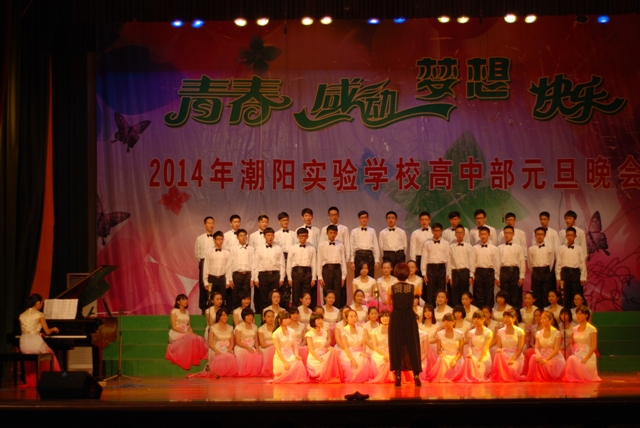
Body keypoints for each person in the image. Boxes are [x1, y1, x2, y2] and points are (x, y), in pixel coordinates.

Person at [388, 262, 422, 386]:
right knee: (412, 344)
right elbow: (419, 295)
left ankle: (398, 375)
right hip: (409, 317)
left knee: (396, 344)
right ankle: (416, 375)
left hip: (396, 317)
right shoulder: (414, 287)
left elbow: (388, 301)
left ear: (396, 273)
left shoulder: (391, 288)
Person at [19, 294, 61, 387]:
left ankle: (32, 380)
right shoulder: (39, 314)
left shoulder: (22, 315)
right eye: (42, 303)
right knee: (50, 354)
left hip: (23, 344)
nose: (42, 305)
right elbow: (47, 331)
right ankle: (52, 379)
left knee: (32, 355)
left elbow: (26, 331)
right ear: (38, 303)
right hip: (34, 343)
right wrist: (53, 328)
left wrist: (39, 334)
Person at [166, 294, 207, 370]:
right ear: (178, 302)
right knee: (191, 337)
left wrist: (192, 333)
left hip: (186, 332)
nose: (186, 301)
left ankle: (196, 357)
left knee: (199, 338)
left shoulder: (187, 312)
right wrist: (186, 333)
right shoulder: (174, 311)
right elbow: (174, 327)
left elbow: (189, 326)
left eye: (186, 299)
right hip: (177, 332)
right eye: (183, 299)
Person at [562, 307, 601, 382]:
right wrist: (574, 352)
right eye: (577, 314)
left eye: (580, 314)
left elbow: (594, 346)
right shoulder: (574, 328)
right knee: (571, 359)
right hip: (577, 353)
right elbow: (571, 342)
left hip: (587, 354)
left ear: (586, 315)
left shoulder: (591, 329)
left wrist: (586, 358)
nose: (578, 316)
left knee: (573, 359)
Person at [453, 310, 492, 382]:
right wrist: (470, 354)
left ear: (483, 319)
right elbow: (469, 346)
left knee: (480, 375)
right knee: (469, 366)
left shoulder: (488, 332)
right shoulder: (471, 332)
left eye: (478, 318)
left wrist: (480, 361)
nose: (476, 320)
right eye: (474, 318)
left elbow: (485, 347)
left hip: (484, 356)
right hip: (473, 355)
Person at [253, 227, 285, 314]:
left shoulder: (278, 248)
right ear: (264, 236)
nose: (270, 237)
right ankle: (264, 319)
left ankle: (275, 318)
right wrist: (256, 278)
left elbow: (282, 264)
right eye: (268, 235)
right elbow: (256, 265)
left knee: (275, 297)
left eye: (272, 235)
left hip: (275, 275)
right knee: (264, 298)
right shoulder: (259, 249)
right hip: (263, 275)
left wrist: (282, 278)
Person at [526, 311, 565, 381]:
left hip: (553, 356)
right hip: (542, 354)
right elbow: (537, 347)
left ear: (551, 320)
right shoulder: (538, 333)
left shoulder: (557, 333)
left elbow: (556, 349)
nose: (542, 320)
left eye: (544, 318)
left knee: (546, 363)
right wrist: (538, 354)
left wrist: (546, 359)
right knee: (534, 357)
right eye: (541, 318)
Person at [272, 311, 309, 383]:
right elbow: (278, 350)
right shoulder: (276, 333)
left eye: (289, 318)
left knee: (298, 361)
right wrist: (285, 362)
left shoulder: (292, 331)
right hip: (281, 357)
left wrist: (296, 355)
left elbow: (295, 346)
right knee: (286, 369)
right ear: (279, 320)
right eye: (285, 318)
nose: (288, 320)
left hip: (290, 355)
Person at [286, 227, 317, 311]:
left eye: (305, 236)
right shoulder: (292, 248)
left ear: (307, 236)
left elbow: (314, 263)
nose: (303, 238)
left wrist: (314, 278)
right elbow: (289, 264)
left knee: (306, 295)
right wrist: (289, 277)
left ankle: (306, 314)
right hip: (296, 273)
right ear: (297, 236)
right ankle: (295, 313)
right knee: (296, 295)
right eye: (301, 236)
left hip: (307, 274)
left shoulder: (312, 248)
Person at [427, 313, 464, 382]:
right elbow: (438, 350)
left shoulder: (459, 334)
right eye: (444, 321)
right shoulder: (439, 334)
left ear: (453, 322)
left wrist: (454, 360)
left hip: (456, 357)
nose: (446, 323)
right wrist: (441, 353)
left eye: (449, 321)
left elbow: (461, 351)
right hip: (445, 356)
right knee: (442, 359)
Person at [305, 313, 342, 383]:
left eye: (321, 319)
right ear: (313, 320)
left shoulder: (324, 333)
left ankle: (334, 376)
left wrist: (329, 349)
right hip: (314, 358)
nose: (320, 321)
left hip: (323, 355)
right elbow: (311, 350)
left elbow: (325, 346)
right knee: (325, 364)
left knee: (333, 352)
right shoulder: (309, 334)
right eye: (318, 319)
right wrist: (320, 360)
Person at [317, 225, 347, 309]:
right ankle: (326, 312)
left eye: (334, 233)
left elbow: (343, 261)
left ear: (337, 233)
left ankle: (336, 312)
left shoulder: (340, 245)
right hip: (326, 270)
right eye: (330, 233)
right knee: (326, 292)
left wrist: (343, 277)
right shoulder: (321, 245)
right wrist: (320, 276)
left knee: (337, 293)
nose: (332, 235)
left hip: (337, 270)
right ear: (327, 233)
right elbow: (319, 261)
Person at [339, 309, 373, 383]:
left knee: (364, 358)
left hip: (360, 352)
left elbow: (364, 344)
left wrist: (363, 352)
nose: (354, 318)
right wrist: (352, 360)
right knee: (358, 360)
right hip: (349, 354)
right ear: (346, 318)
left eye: (355, 316)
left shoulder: (361, 329)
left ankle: (362, 379)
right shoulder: (343, 330)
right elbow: (346, 347)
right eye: (351, 317)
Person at [556, 227, 587, 308]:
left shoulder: (579, 248)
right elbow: (558, 263)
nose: (569, 237)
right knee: (565, 295)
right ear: (565, 236)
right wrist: (558, 277)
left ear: (575, 236)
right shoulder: (561, 248)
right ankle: (567, 313)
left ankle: (578, 313)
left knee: (577, 294)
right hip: (564, 273)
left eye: (571, 235)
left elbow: (582, 263)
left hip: (575, 273)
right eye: (568, 235)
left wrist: (583, 277)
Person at [491, 309, 525, 382]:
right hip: (504, 356)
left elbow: (520, 348)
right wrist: (498, 350)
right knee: (498, 355)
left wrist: (513, 359)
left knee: (511, 369)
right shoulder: (500, 331)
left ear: (514, 318)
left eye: (508, 317)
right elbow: (499, 346)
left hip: (516, 357)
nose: (506, 319)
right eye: (504, 317)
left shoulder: (519, 331)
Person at [421, 223, 449, 306]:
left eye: (438, 230)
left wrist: (448, 273)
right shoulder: (427, 243)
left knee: (441, 290)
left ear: (441, 231)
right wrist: (424, 273)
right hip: (430, 268)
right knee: (430, 291)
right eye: (434, 231)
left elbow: (448, 259)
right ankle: (431, 310)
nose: (436, 232)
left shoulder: (446, 243)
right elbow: (424, 258)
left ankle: (441, 309)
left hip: (441, 268)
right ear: (432, 231)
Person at [497, 226, 525, 309]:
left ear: (513, 234)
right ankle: (505, 312)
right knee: (504, 294)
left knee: (515, 294)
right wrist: (497, 277)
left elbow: (522, 262)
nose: (507, 235)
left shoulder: (519, 247)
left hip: (515, 271)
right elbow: (497, 263)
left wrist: (521, 276)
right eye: (505, 233)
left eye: (509, 233)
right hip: (503, 271)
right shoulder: (499, 248)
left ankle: (516, 313)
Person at [472, 226, 500, 309]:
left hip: (490, 273)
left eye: (485, 234)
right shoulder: (474, 248)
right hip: (478, 273)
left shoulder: (494, 248)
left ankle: (489, 313)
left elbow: (496, 263)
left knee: (489, 295)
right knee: (478, 294)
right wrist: (472, 275)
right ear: (479, 235)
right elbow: (472, 262)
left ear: (489, 235)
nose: (483, 236)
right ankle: (479, 313)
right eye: (481, 234)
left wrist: (497, 277)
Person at [227, 228, 255, 310]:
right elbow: (229, 264)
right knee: (236, 295)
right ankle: (236, 313)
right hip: (236, 275)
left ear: (246, 237)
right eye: (240, 235)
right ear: (237, 237)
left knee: (247, 296)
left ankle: (247, 313)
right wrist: (230, 278)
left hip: (247, 275)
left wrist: (252, 278)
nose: (243, 237)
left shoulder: (251, 249)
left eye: (244, 235)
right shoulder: (233, 249)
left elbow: (254, 264)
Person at [447, 225, 475, 306]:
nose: (459, 234)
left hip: (465, 272)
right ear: (455, 234)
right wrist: (449, 275)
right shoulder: (451, 247)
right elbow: (449, 262)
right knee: (454, 293)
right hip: (455, 272)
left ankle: (465, 310)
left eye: (461, 233)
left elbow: (471, 262)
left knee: (465, 293)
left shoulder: (469, 247)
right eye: (457, 233)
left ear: (464, 234)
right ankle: (456, 310)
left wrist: (471, 275)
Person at [274, 212, 298, 307]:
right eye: (283, 220)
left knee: (290, 283)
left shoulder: (293, 234)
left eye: (287, 220)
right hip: (280, 259)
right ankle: (280, 306)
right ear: (279, 222)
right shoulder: (276, 234)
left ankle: (289, 307)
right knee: (281, 283)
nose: (285, 222)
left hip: (291, 259)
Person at [528, 227, 556, 308]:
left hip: (546, 271)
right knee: (536, 293)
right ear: (535, 236)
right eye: (538, 234)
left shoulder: (550, 248)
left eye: (541, 234)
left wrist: (548, 272)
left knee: (546, 293)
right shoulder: (531, 249)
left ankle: (546, 311)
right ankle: (537, 311)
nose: (539, 236)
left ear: (544, 235)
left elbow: (551, 262)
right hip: (536, 272)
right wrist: (535, 272)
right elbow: (530, 263)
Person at [207, 308, 237, 377]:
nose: (225, 317)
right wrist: (216, 350)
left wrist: (230, 349)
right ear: (218, 316)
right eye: (223, 315)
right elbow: (210, 342)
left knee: (231, 356)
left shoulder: (230, 328)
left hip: (226, 348)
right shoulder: (213, 327)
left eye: (226, 315)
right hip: (215, 348)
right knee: (219, 357)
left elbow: (232, 342)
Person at [195, 216, 216, 313]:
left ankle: (214, 305)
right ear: (205, 225)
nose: (211, 225)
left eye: (212, 223)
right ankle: (203, 306)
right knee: (204, 284)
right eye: (209, 223)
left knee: (214, 283)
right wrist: (202, 263)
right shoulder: (199, 238)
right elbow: (197, 254)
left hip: (215, 262)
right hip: (204, 261)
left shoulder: (217, 238)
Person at [234, 308, 263, 376]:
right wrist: (247, 347)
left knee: (259, 354)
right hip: (241, 347)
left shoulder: (255, 327)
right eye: (248, 316)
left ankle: (253, 372)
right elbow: (238, 341)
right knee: (249, 354)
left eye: (251, 315)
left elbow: (256, 341)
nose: (250, 317)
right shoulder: (239, 327)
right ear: (243, 317)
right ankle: (246, 372)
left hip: (251, 347)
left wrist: (257, 348)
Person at [369, 310, 394, 383]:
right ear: (379, 318)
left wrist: (390, 355)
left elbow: (395, 345)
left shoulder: (394, 330)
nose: (385, 318)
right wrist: (385, 355)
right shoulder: (374, 331)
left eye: (387, 316)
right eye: (383, 317)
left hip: (392, 352)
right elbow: (375, 346)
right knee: (382, 361)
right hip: (379, 353)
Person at [418, 304, 439, 381]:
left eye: (429, 311)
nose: (427, 313)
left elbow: (437, 338)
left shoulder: (437, 325)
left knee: (429, 349)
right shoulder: (420, 325)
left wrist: (426, 342)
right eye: (426, 311)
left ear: (433, 312)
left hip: (432, 346)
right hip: (422, 347)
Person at [409, 211, 433, 277]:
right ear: (419, 221)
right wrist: (413, 262)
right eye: (422, 220)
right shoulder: (415, 233)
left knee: (430, 278)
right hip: (419, 258)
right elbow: (412, 248)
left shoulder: (433, 232)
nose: (424, 221)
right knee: (419, 278)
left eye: (426, 219)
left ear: (429, 220)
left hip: (430, 258)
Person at [258, 309, 277, 377]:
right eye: (268, 317)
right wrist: (274, 344)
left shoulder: (277, 328)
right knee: (273, 349)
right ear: (264, 318)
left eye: (272, 316)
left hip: (277, 346)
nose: (270, 319)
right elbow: (262, 344)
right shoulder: (261, 329)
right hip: (266, 347)